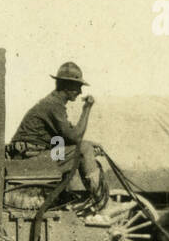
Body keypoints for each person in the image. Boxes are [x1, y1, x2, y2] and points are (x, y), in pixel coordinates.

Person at [7, 62, 110, 220]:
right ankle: (102, 206)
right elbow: (75, 138)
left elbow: (69, 136)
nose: (80, 91)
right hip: (31, 159)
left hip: (29, 156)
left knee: (84, 146)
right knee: (84, 148)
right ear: (67, 86)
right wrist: (87, 109)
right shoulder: (53, 105)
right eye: (78, 87)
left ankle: (74, 200)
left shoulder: (52, 104)